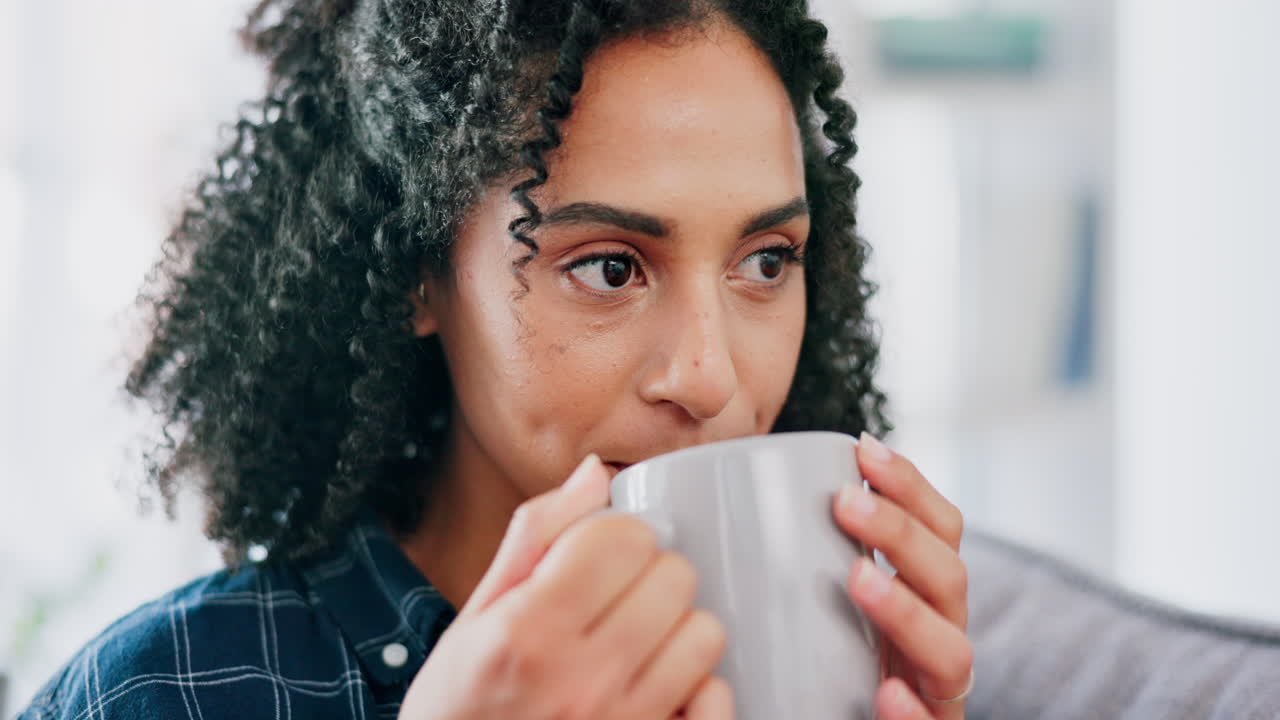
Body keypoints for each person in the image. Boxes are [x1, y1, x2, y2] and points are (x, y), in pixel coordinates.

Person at [18, 0, 974, 718]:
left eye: (766, 262)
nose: (711, 375)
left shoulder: (861, 663)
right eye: (610, 267)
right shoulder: (166, 690)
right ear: (419, 279)